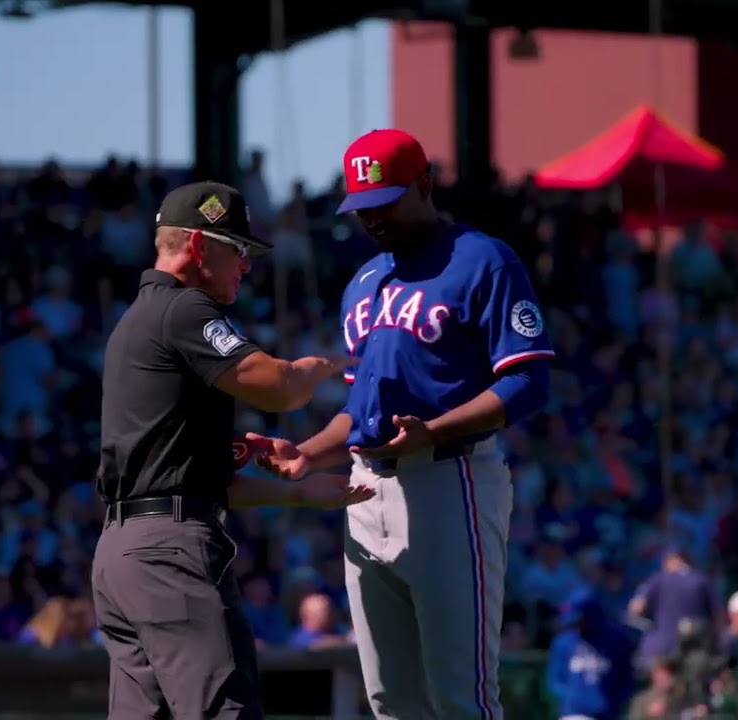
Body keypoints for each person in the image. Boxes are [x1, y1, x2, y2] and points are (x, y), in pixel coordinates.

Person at [253, 130, 554, 719]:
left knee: (461, 698)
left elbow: (527, 381)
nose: (372, 218)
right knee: (389, 700)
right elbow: (359, 409)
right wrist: (309, 454)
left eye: (385, 202)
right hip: (365, 490)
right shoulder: (364, 282)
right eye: (362, 206)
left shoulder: (483, 260)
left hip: (449, 480)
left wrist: (436, 431)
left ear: (424, 184)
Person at [92, 180, 374, 719]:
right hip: (169, 553)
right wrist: (321, 366)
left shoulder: (138, 318)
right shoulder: (183, 310)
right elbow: (280, 388)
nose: (246, 265)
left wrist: (298, 493)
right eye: (238, 249)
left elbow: (190, 480)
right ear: (199, 246)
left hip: (123, 553)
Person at [547, 589, 639, 720]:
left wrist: (614, 700)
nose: (576, 625)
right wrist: (577, 696)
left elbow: (627, 680)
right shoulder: (564, 642)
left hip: (608, 714)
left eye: (579, 620)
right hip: (574, 713)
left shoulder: (617, 641)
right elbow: (555, 681)